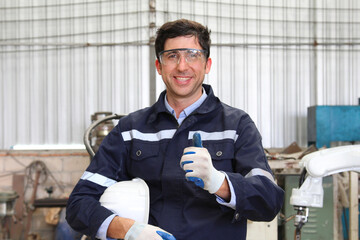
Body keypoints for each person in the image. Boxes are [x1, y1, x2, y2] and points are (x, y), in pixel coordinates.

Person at [66, 19, 284, 240]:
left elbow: (269, 202)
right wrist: (127, 229)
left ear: (207, 64)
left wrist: (220, 183)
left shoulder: (237, 126)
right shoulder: (131, 130)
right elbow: (79, 204)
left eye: (192, 55)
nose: (182, 66)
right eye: (172, 56)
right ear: (159, 66)